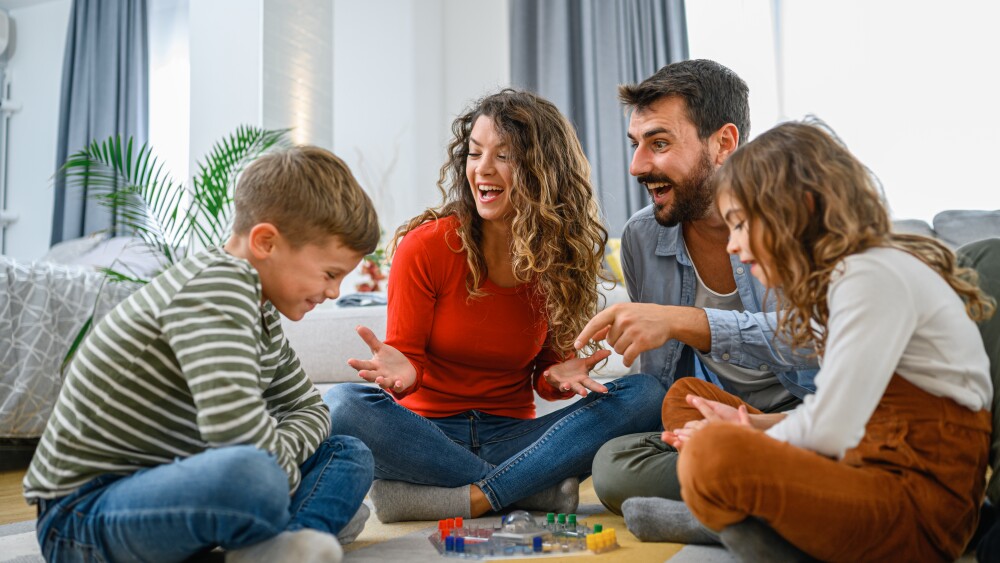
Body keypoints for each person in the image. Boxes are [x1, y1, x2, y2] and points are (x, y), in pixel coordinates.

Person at [622, 120, 994, 562]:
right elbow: (855, 422)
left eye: (740, 225)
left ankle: (720, 521)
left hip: (915, 504)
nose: (734, 247)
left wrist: (742, 442)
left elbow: (833, 429)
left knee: (712, 456)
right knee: (687, 400)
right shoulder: (846, 280)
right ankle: (747, 519)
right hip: (862, 459)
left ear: (801, 207)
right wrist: (751, 424)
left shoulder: (871, 275)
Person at [23, 146, 381, 563]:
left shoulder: (261, 310)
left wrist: (272, 460)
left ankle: (286, 535)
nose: (335, 291)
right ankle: (299, 524)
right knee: (255, 475)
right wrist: (274, 472)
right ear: (266, 241)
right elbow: (239, 438)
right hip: (81, 517)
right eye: (330, 273)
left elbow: (309, 409)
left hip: (170, 486)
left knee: (348, 453)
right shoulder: (216, 287)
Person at [324, 89, 664, 523]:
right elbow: (406, 360)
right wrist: (406, 372)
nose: (482, 169)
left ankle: (472, 496)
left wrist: (556, 378)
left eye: (504, 156)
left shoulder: (558, 258)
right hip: (427, 438)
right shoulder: (427, 246)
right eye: (474, 153)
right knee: (344, 406)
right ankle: (528, 491)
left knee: (645, 394)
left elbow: (546, 373)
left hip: (515, 437)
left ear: (544, 171)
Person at [585, 58, 818, 515]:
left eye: (659, 143)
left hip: (806, 410)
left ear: (724, 143)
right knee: (613, 467)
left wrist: (686, 321)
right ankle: (773, 490)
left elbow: (818, 341)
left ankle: (746, 489)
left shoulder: (794, 222)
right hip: (711, 413)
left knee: (857, 435)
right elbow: (659, 379)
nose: (636, 166)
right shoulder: (642, 237)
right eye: (635, 145)